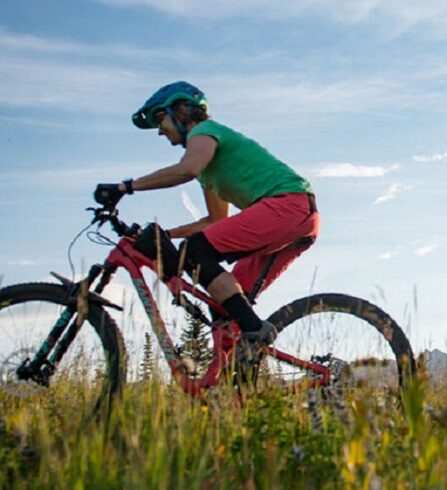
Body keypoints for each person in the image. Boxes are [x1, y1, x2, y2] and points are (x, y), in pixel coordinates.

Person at [94, 81, 319, 362]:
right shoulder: (209, 169)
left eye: (161, 119)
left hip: (287, 206)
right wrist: (168, 234)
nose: (160, 130)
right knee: (225, 304)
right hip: (296, 218)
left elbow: (186, 170)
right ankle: (236, 383)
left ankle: (256, 331)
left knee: (195, 253)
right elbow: (214, 221)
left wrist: (125, 187)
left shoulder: (204, 132)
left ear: (182, 110)